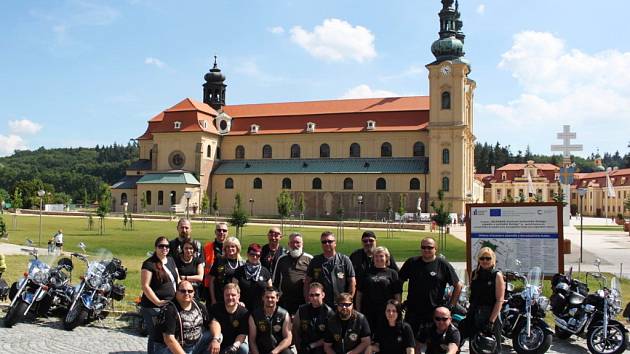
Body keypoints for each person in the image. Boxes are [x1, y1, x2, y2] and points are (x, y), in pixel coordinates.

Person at [398, 237, 461, 334]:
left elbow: (458, 285)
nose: (426, 250)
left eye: (430, 247)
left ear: (435, 249)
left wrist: (451, 307)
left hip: (434, 314)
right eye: (423, 247)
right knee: (412, 344)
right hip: (413, 312)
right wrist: (399, 302)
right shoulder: (412, 262)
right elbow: (399, 282)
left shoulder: (443, 264)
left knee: (433, 346)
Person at [461, 247, 505, 353]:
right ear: (478, 259)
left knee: (491, 347)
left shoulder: (497, 275)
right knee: (475, 346)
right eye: (482, 258)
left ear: (493, 259)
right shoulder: (474, 273)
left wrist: (491, 321)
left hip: (491, 313)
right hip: (475, 313)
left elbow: (500, 300)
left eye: (488, 258)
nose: (485, 261)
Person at [141, 236, 180, 354]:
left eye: (167, 246)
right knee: (155, 335)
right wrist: (157, 302)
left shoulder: (171, 260)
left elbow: (177, 280)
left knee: (167, 334)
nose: (164, 248)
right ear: (155, 247)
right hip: (153, 307)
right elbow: (145, 286)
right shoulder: (149, 264)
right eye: (161, 246)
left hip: (170, 305)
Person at [154, 280, 212, 354]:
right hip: (169, 348)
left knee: (216, 335)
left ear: (194, 293)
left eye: (190, 291)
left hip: (193, 345)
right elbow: (169, 340)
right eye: (183, 291)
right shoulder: (169, 309)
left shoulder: (198, 305)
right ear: (176, 292)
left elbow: (212, 322)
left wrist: (216, 339)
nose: (187, 293)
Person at [355, 246, 402, 331]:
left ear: (387, 257)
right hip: (368, 311)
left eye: (381, 256)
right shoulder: (365, 272)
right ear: (373, 258)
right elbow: (359, 294)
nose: (378, 258)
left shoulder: (393, 273)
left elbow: (397, 294)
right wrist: (358, 311)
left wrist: (397, 311)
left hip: (386, 312)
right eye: (376, 256)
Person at [305, 231, 356, 307]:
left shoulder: (344, 260)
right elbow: (307, 282)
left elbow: (352, 282)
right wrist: (308, 301)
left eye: (329, 241)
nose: (327, 244)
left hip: (340, 305)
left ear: (335, 243)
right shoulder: (315, 261)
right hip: (320, 305)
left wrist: (348, 301)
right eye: (324, 242)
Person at [273, 232, 313, 314]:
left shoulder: (310, 259)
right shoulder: (282, 259)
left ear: (302, 244)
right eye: (292, 242)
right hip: (285, 301)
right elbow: (275, 281)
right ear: (288, 244)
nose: (295, 245)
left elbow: (315, 281)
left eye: (297, 242)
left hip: (303, 300)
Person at [248, 287, 293, 354]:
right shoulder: (254, 316)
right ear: (263, 298)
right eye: (267, 297)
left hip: (278, 350)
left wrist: (275, 351)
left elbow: (288, 338)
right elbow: (252, 340)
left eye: (272, 297)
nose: (269, 299)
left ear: (277, 298)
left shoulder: (284, 314)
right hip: (260, 350)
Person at [293, 282, 334, 354]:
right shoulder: (301, 310)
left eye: (317, 295)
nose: (314, 298)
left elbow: (330, 337)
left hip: (321, 348)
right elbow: (296, 331)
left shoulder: (329, 313)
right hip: (305, 347)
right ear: (308, 296)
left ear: (323, 295)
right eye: (311, 295)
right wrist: (298, 348)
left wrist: (312, 345)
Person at [208, 283, 249, 354]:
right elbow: (213, 323)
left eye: (233, 295)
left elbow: (242, 334)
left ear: (238, 296)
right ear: (223, 295)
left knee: (244, 348)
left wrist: (234, 347)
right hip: (218, 341)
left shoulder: (244, 312)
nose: (230, 297)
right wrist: (215, 340)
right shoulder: (216, 308)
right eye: (227, 295)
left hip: (234, 343)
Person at [231, 243, 272, 310]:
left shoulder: (265, 271)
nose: (255, 257)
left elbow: (270, 291)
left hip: (260, 309)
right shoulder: (239, 271)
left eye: (257, 255)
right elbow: (233, 290)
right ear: (247, 254)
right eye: (252, 254)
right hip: (242, 308)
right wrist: (238, 302)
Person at [209, 237, 244, 305]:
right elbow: (212, 282)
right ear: (224, 248)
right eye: (227, 246)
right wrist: (213, 299)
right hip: (220, 298)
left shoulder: (242, 263)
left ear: (237, 248)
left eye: (233, 246)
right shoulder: (219, 260)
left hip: (235, 300)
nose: (230, 248)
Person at [203, 223, 229, 302]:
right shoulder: (207, 247)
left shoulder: (231, 247)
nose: (221, 232)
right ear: (215, 232)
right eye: (219, 230)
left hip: (227, 285)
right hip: (209, 284)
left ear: (227, 233)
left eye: (224, 230)